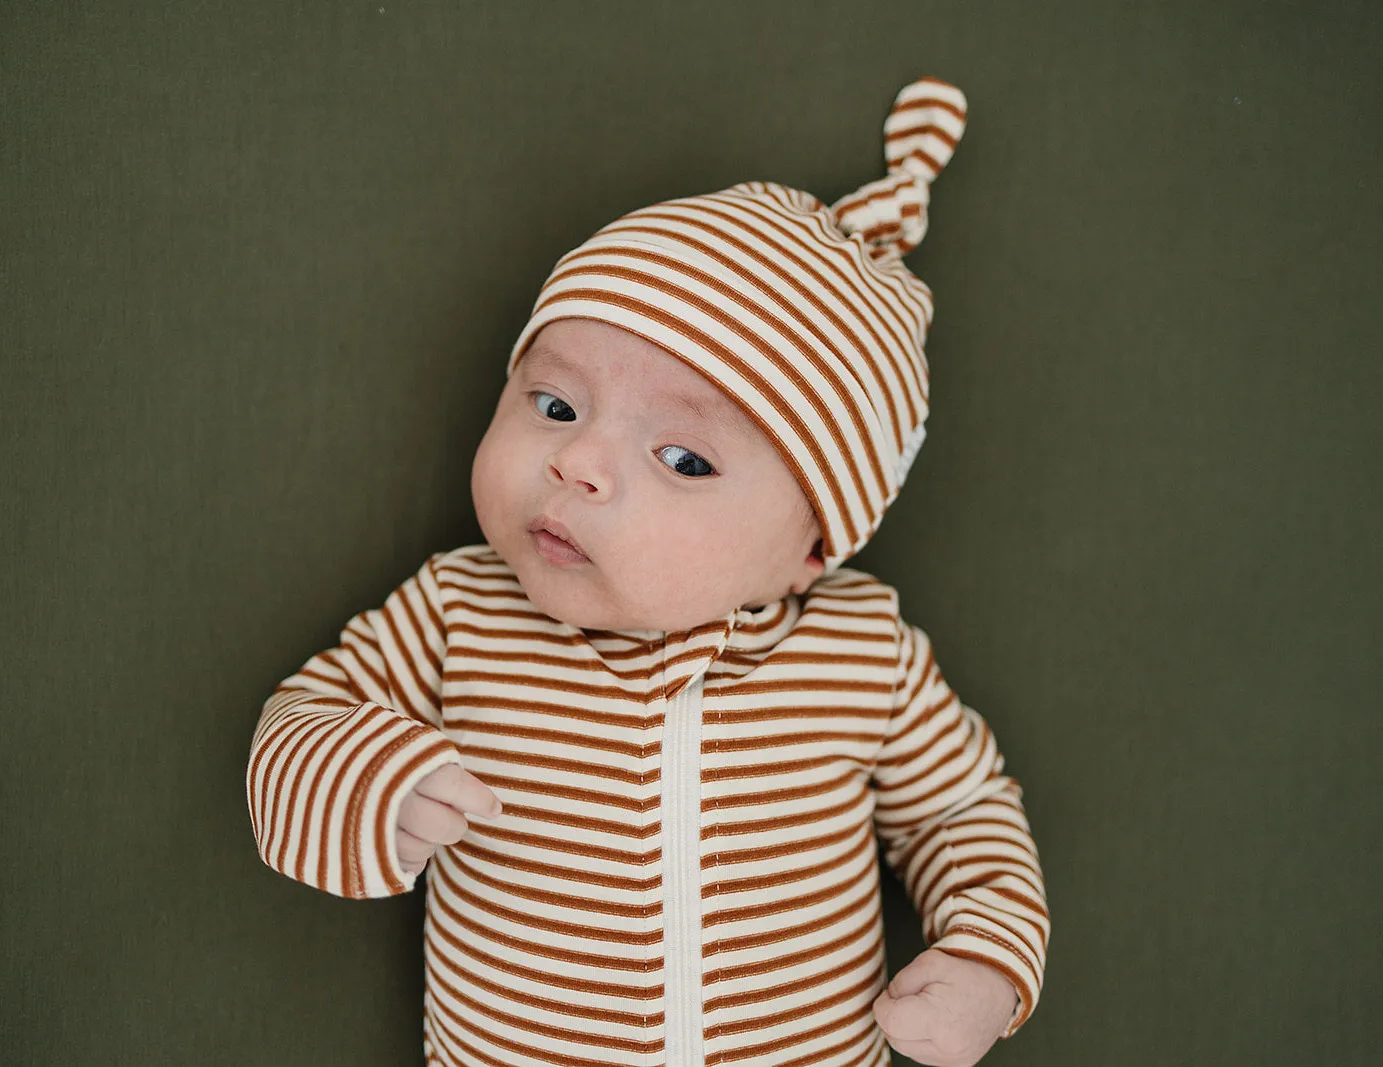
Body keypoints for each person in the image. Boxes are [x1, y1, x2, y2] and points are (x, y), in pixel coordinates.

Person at [246, 77, 1048, 1067]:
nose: (576, 462)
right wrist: (367, 778)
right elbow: (298, 719)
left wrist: (988, 961)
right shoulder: (460, 610)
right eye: (553, 404)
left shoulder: (862, 654)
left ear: (812, 547)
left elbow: (960, 808)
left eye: (684, 459)